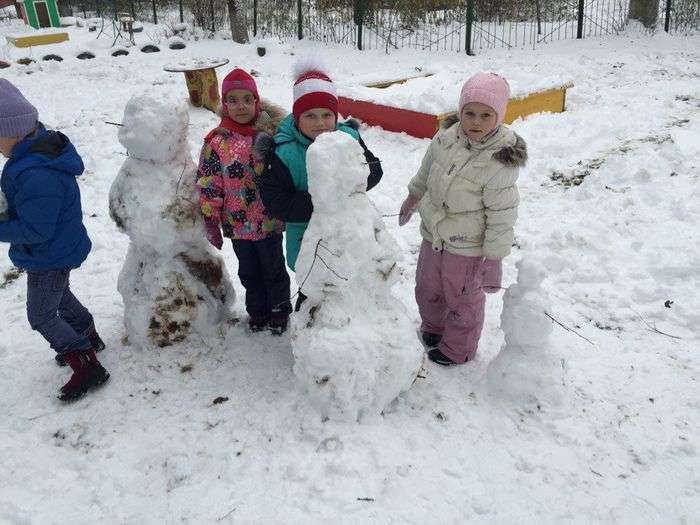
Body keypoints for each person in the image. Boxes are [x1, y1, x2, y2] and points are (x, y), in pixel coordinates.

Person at [398, 72, 527, 366]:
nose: (476, 122)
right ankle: (433, 327)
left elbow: (502, 214)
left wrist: (494, 258)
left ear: (499, 116)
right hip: (433, 232)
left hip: (468, 246)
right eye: (469, 113)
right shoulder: (445, 138)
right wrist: (413, 196)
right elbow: (426, 170)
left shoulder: (500, 160)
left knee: (462, 298)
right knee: (428, 286)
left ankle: (459, 348)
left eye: (485, 115)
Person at [0, 79, 109, 400]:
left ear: (12, 131)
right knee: (60, 297)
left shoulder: (37, 173)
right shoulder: (31, 156)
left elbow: (37, 229)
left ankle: (86, 364)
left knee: (41, 314)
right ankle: (88, 335)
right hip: (55, 249)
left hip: (48, 253)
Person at [259, 62, 383, 305]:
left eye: (327, 115)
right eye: (310, 116)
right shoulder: (285, 151)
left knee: (351, 284)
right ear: (297, 117)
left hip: (347, 232)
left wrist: (351, 184)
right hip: (307, 237)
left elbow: (374, 170)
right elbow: (275, 200)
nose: (320, 123)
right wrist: (321, 201)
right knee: (313, 292)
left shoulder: (349, 138)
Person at [197, 68, 292, 334]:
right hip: (237, 224)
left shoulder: (270, 135)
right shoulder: (216, 142)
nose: (241, 106)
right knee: (249, 271)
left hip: (269, 220)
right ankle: (258, 311)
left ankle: (279, 310)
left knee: (274, 268)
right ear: (224, 104)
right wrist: (210, 218)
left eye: (247, 99)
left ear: (256, 102)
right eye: (233, 100)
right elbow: (209, 181)